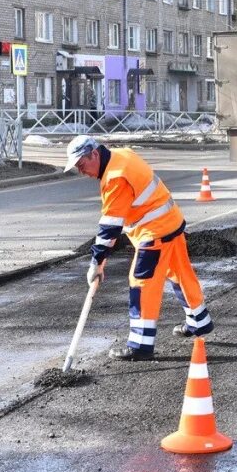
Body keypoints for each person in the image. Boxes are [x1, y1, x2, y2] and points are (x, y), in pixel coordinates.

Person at [65, 135, 213, 361]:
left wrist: (97, 262)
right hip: (171, 222)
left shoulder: (116, 177)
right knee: (180, 274)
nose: (81, 172)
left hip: (154, 233)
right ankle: (199, 322)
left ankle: (141, 345)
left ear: (94, 154)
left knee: (141, 284)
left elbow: (110, 227)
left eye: (82, 165)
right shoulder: (122, 156)